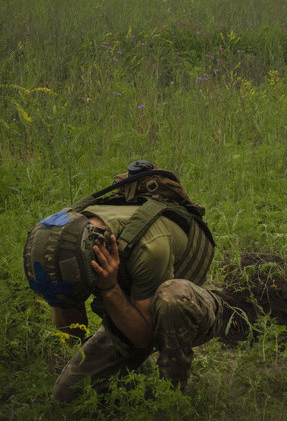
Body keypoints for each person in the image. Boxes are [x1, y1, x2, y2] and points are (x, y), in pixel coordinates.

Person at [23, 164, 227, 403]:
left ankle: (172, 401)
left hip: (192, 307)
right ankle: (138, 373)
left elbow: (143, 337)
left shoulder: (150, 246)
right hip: (134, 304)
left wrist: (109, 288)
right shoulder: (61, 236)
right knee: (67, 397)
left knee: (172, 298)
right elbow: (71, 332)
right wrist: (59, 293)